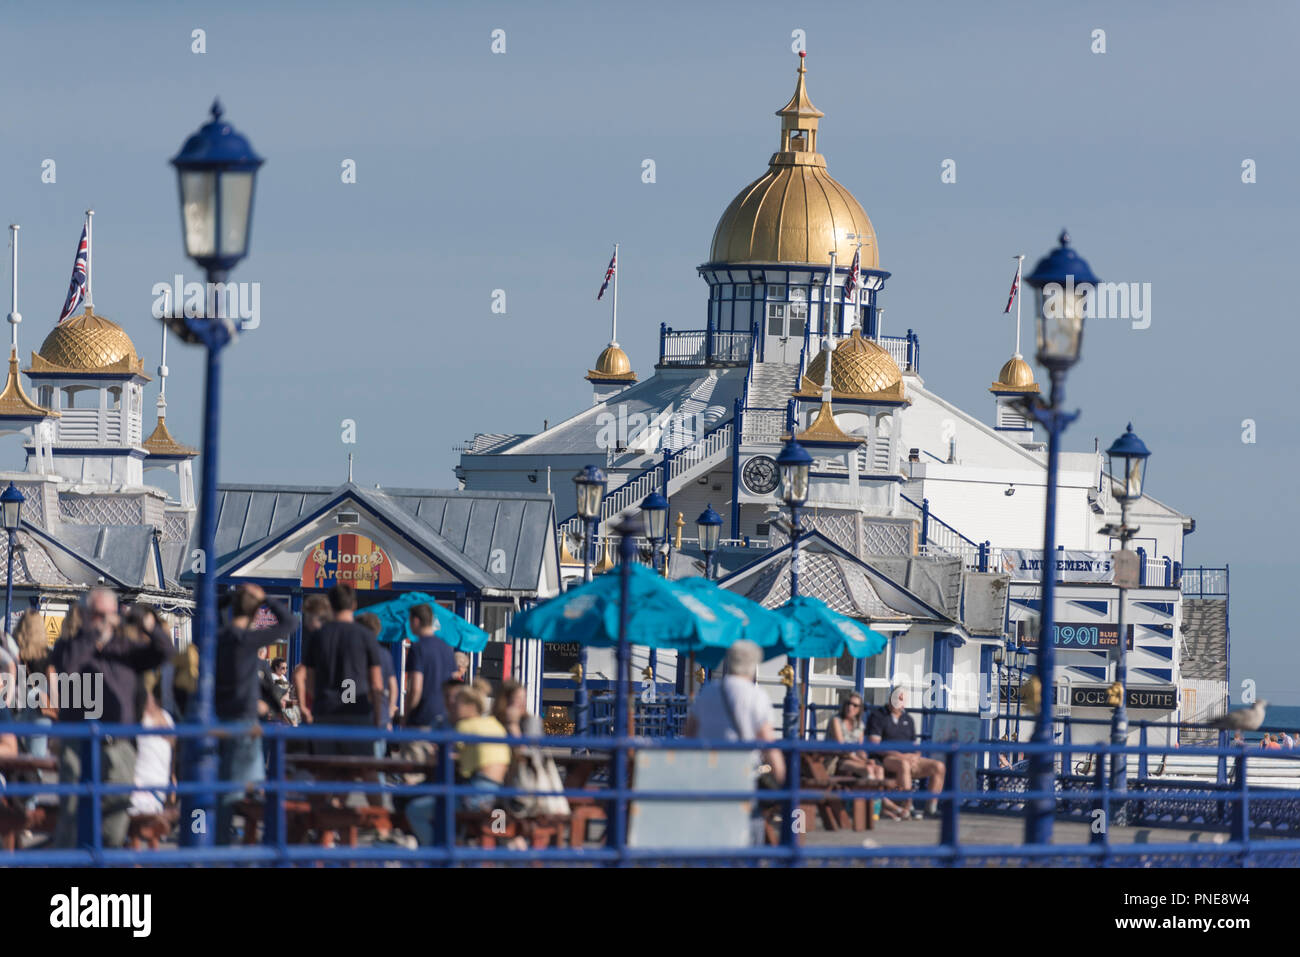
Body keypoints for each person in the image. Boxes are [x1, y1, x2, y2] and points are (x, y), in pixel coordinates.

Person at [50, 588, 174, 849]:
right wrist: (94, 634)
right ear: (85, 615)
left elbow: (165, 653)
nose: (105, 619)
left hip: (119, 745)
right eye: (98, 614)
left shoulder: (126, 649)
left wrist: (149, 625)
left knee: (115, 822)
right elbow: (68, 667)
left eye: (110, 613)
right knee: (71, 818)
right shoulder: (69, 646)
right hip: (78, 744)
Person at [213, 583, 297, 845]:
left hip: (219, 714)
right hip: (244, 717)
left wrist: (229, 599)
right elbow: (290, 622)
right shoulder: (247, 640)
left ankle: (222, 836)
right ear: (252, 615)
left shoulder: (220, 637)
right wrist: (265, 599)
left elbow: (211, 611)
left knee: (226, 779)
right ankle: (234, 841)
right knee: (247, 784)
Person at [685, 640, 786, 844]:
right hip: (742, 774)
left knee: (712, 832)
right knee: (749, 829)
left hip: (709, 772)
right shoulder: (756, 696)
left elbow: (689, 734)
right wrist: (784, 780)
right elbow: (768, 743)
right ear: (754, 664)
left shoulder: (708, 691)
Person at [294, 583, 386, 755]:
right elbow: (376, 684)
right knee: (364, 772)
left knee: (326, 773)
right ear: (354, 605)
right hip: (357, 712)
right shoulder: (366, 636)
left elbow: (310, 679)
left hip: (326, 711)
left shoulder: (318, 636)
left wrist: (318, 699)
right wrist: (378, 719)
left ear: (331, 605)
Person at [866, 686, 946, 819]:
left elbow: (915, 746)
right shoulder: (878, 716)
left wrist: (915, 756)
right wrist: (902, 756)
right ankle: (908, 806)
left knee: (938, 766)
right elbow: (875, 746)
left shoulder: (908, 719)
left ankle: (931, 808)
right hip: (888, 758)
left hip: (909, 758)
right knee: (904, 764)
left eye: (902, 698)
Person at [826, 692, 905, 820]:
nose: (850, 707)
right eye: (848, 704)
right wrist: (862, 761)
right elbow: (842, 748)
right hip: (837, 760)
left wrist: (866, 759)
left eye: (855, 705)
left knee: (878, 769)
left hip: (853, 760)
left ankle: (876, 810)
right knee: (868, 769)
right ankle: (883, 805)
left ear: (859, 709)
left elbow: (861, 749)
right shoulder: (836, 720)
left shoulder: (860, 725)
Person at [452, 683, 511, 811]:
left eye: (457, 704)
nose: (453, 707)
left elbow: (449, 753)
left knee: (417, 809)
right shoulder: (493, 723)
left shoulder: (464, 725)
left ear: (471, 706)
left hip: (478, 788)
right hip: (500, 790)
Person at [403, 604, 458, 731]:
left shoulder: (417, 648)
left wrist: (406, 716)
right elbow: (454, 681)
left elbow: (415, 688)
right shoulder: (447, 648)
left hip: (422, 717)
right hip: (444, 717)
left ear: (416, 621)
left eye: (410, 621)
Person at [128, 675, 175, 819]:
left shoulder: (137, 721)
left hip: (137, 796)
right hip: (158, 798)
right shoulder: (167, 719)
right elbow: (172, 771)